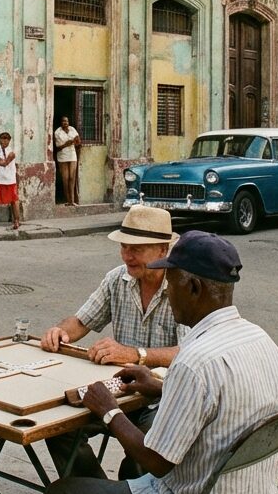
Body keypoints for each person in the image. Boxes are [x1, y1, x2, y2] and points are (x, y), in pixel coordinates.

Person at [42, 230, 278, 494]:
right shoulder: (261, 340)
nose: (169, 294)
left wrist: (109, 409)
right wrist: (159, 386)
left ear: (193, 288)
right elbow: (221, 401)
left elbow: (157, 462)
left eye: (172, 284)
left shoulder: (195, 362)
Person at [40, 205, 183, 480]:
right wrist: (60, 332)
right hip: (117, 391)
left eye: (136, 249)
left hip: (160, 399)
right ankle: (95, 493)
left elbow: (187, 353)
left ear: (163, 250)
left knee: (148, 452)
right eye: (124, 247)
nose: (127, 255)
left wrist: (135, 354)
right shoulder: (117, 278)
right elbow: (82, 321)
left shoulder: (181, 286)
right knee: (56, 428)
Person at [54, 116, 81, 206]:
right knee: (65, 179)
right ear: (61, 122)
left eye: (67, 121)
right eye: (63, 121)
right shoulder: (57, 132)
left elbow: (78, 142)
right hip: (62, 157)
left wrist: (77, 141)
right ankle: (68, 200)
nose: (65, 122)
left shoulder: (72, 129)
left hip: (72, 155)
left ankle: (72, 200)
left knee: (72, 178)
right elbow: (57, 148)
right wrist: (66, 144)